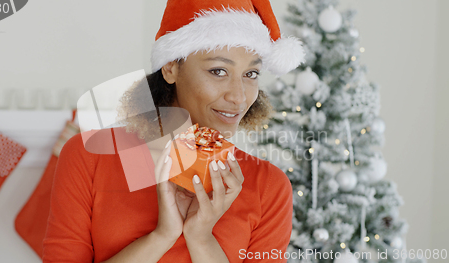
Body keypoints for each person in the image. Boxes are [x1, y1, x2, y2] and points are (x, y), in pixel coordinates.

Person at [42, 0, 305, 262]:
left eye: (251, 74)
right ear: (170, 67)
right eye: (218, 71)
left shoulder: (268, 186)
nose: (238, 96)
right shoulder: (89, 156)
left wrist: (200, 237)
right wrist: (163, 236)